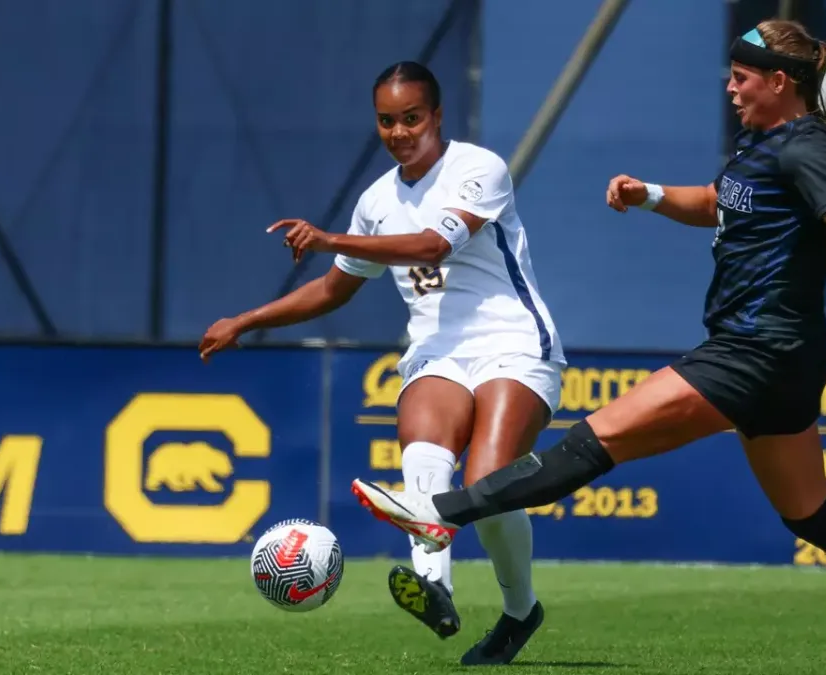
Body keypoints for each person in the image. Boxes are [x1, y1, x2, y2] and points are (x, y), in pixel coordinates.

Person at [350, 21, 826, 675]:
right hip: (782, 361)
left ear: (779, 82)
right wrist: (648, 195)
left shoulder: (805, 148)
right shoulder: (760, 144)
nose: (730, 87)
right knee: (812, 512)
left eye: (741, 77)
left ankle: (435, 511)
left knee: (587, 444)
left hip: (753, 352)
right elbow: (717, 203)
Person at [199, 60, 562, 666]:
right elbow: (333, 290)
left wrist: (329, 239)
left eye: (412, 118)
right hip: (437, 351)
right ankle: (435, 586)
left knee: (489, 486)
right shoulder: (376, 201)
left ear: (438, 116)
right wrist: (246, 321)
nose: (399, 132)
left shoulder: (478, 168)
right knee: (424, 455)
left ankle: (521, 610)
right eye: (387, 121)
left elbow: (432, 244)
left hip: (513, 342)